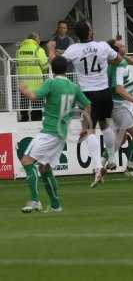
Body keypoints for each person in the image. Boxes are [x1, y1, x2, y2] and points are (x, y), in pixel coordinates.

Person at [47, 20, 123, 187]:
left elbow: (57, 65)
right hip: (104, 92)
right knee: (105, 124)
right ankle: (111, 158)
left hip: (88, 94)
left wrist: (51, 50)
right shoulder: (102, 46)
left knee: (89, 130)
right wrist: (106, 61)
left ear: (77, 35)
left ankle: (97, 167)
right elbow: (118, 59)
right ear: (90, 32)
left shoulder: (73, 50)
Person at [19, 56, 91, 213]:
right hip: (61, 133)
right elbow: (87, 105)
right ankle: (56, 205)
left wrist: (24, 90)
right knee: (45, 168)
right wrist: (86, 127)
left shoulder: (51, 83)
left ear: (52, 68)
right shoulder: (73, 87)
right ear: (66, 69)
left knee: (26, 161)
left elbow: (34, 96)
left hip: (49, 131)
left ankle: (35, 200)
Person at [99, 38, 133, 185]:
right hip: (120, 105)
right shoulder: (119, 65)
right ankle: (130, 167)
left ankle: (99, 165)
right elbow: (118, 88)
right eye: (120, 46)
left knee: (120, 139)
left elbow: (126, 59)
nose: (124, 47)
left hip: (114, 105)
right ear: (115, 51)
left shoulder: (115, 60)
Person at [16, 32, 48, 121]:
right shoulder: (38, 49)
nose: (40, 41)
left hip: (23, 81)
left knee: (24, 103)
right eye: (39, 39)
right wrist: (44, 73)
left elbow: (18, 63)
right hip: (36, 81)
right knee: (37, 104)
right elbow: (45, 65)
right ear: (35, 39)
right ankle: (36, 119)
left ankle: (24, 118)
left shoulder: (20, 49)